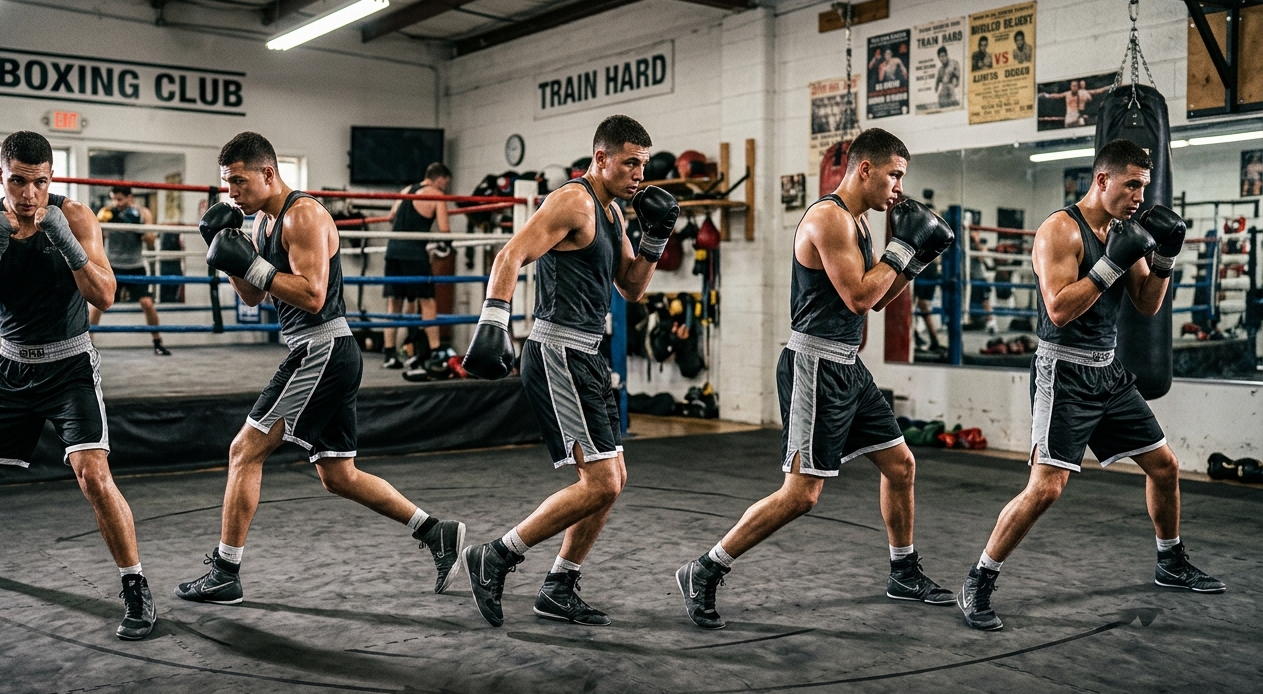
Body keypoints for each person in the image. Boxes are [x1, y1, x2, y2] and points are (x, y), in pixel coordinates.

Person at [675, 128, 956, 630]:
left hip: (847, 364)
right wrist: (902, 248)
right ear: (864, 169)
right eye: (894, 175)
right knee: (801, 494)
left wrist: (913, 260)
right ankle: (705, 568)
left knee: (901, 465)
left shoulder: (860, 223)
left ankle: (903, 571)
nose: (899, 187)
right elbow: (859, 297)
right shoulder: (829, 218)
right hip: (814, 365)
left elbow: (877, 299)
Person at [175, 132, 465, 605]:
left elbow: (312, 295)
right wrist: (225, 254)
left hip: (321, 348)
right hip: (320, 350)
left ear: (268, 172)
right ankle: (436, 532)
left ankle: (225, 573)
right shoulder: (263, 223)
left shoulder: (303, 215)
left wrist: (253, 265)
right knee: (338, 475)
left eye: (239, 181)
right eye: (227, 183)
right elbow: (253, 295)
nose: (232, 192)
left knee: (244, 450)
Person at [957, 139, 1223, 632]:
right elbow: (1058, 309)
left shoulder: (1124, 231)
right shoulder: (1059, 230)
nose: (1140, 196)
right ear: (1102, 180)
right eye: (1132, 185)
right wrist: (1110, 264)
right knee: (1045, 488)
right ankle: (979, 579)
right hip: (1064, 374)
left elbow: (1146, 303)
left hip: (1109, 372)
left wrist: (1164, 258)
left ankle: (1170, 560)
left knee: (1164, 466)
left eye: (1144, 186)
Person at [0, 131, 155, 641]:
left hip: (69, 365)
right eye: (18, 181)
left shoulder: (77, 217)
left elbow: (107, 296)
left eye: (40, 182)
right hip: (12, 367)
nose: (30, 193)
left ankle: (135, 584)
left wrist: (66, 242)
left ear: (52, 178)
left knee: (93, 476)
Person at [458, 115, 679, 627]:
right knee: (600, 482)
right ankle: (495, 556)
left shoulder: (614, 213)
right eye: (630, 163)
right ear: (601, 158)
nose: (639, 174)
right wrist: (494, 319)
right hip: (558, 351)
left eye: (643, 164)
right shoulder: (573, 201)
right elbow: (511, 254)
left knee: (613, 479)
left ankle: (559, 585)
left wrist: (656, 239)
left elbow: (632, 287)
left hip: (589, 354)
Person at [381, 163, 451, 374]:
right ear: (440, 179)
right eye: (445, 183)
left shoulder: (406, 190)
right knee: (427, 301)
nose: (445, 187)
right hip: (414, 253)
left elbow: (391, 217)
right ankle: (435, 350)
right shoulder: (437, 195)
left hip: (393, 250)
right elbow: (445, 231)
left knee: (394, 303)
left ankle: (390, 353)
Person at [89, 185, 169, 355]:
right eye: (113, 199)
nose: (116, 203)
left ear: (129, 197)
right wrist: (104, 226)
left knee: (147, 303)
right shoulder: (106, 212)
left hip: (135, 266)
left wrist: (137, 227)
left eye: (119, 199)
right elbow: (95, 238)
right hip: (112, 266)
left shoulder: (143, 213)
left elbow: (150, 241)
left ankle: (158, 343)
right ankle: (87, 344)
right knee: (98, 304)